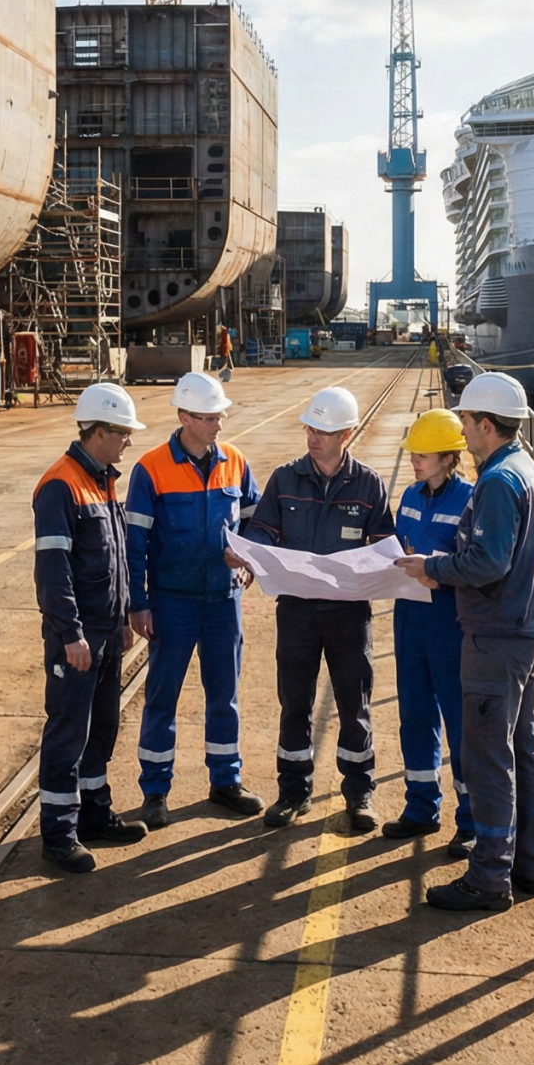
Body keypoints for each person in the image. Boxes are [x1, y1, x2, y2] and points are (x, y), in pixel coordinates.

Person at [395, 372, 534, 913]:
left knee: (487, 756)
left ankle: (489, 877)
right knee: (522, 748)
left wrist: (432, 567)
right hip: (529, 625)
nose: (462, 431)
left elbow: (488, 562)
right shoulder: (530, 470)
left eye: (465, 421)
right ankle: (527, 864)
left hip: (496, 634)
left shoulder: (495, 482)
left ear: (487, 425)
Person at [244, 385, 395, 832]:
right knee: (294, 703)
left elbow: (383, 547)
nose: (314, 437)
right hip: (297, 612)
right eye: (311, 427)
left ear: (346, 433)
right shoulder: (285, 479)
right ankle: (293, 791)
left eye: (325, 431)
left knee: (355, 704)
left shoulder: (368, 484)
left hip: (349, 615)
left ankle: (359, 792)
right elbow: (263, 532)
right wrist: (246, 551)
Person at [125, 371, 264, 829]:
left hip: (223, 603)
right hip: (172, 603)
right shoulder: (151, 470)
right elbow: (135, 545)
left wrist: (248, 560)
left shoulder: (236, 463)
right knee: (162, 697)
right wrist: (139, 603)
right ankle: (155, 792)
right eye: (207, 417)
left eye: (220, 415)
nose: (218, 425)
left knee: (224, 695)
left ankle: (226, 781)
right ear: (183, 417)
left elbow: (255, 524)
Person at [33, 382, 151, 873]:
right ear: (98, 431)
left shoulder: (103, 479)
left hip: (106, 631)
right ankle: (59, 833)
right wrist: (71, 634)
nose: (129, 442)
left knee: (101, 727)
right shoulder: (60, 485)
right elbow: (54, 572)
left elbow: (115, 558)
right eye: (123, 434)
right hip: (78, 638)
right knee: (68, 732)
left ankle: (94, 815)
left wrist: (123, 619)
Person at [382, 408, 476, 853]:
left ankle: (472, 819)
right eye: (413, 453)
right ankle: (421, 808)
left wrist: (441, 575)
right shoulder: (409, 496)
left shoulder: (470, 500)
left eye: (423, 454)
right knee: (415, 717)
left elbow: (478, 566)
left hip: (448, 622)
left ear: (448, 457)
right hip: (409, 619)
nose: (415, 460)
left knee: (459, 722)